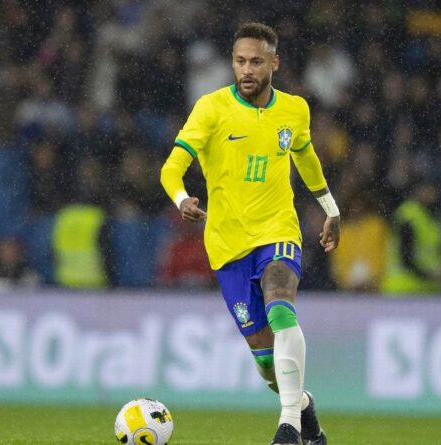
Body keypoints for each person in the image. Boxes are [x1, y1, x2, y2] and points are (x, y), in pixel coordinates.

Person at [160, 22, 339, 445]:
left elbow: (305, 156)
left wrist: (330, 208)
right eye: (240, 61)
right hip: (227, 246)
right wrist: (181, 199)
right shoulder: (211, 108)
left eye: (256, 61)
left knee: (281, 305)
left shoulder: (294, 110)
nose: (246, 69)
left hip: (278, 230)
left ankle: (288, 427)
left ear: (274, 63)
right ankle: (303, 406)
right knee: (267, 365)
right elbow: (171, 168)